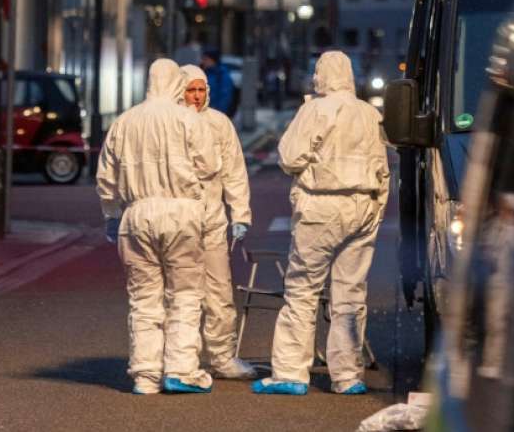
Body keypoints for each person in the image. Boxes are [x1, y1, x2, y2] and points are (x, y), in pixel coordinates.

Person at [252, 50, 389, 396]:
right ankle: (347, 376)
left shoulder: (314, 110)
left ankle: (290, 373)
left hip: (321, 207)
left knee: (302, 289)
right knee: (351, 294)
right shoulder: (369, 113)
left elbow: (289, 157)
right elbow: (383, 169)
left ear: (322, 75)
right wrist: (377, 209)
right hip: (363, 205)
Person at [96, 58, 220, 395]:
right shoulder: (188, 119)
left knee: (143, 297)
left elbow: (106, 177)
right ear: (177, 83)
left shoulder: (125, 121)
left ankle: (145, 375)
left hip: (137, 214)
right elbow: (210, 166)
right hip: (182, 211)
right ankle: (181, 369)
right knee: (185, 293)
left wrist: (112, 214)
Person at [180, 65, 257, 380]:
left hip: (211, 218)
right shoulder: (169, 123)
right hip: (179, 221)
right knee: (181, 293)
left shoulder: (219, 123)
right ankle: (181, 358)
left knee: (219, 291)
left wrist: (240, 214)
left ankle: (222, 357)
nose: (197, 96)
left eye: (201, 90)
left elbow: (234, 172)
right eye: (191, 90)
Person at [201, 50, 235, 116]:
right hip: (205, 112)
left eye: (205, 59)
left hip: (215, 113)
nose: (203, 62)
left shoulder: (222, 74)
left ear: (212, 60)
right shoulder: (204, 72)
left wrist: (217, 113)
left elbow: (225, 97)